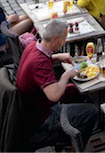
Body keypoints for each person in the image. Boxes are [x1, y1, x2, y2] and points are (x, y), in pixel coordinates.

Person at [16, 19, 99, 147]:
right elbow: (54, 95)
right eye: (63, 39)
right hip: (40, 118)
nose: (64, 42)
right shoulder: (41, 64)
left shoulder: (33, 46)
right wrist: (66, 75)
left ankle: (72, 132)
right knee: (92, 111)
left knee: (74, 90)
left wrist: (56, 57)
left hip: (29, 106)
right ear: (54, 39)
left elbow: (38, 61)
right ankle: (73, 144)